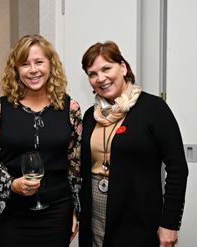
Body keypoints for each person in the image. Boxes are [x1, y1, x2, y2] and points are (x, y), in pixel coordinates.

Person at [0, 34, 82, 247]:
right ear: (16, 70)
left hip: (57, 211)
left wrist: (76, 210)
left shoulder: (70, 108)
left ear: (51, 65)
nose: (33, 70)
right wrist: (11, 184)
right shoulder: (0, 109)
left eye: (39, 62)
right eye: (25, 64)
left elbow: (75, 165)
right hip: (11, 212)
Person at [78, 41, 189, 247]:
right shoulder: (90, 116)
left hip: (138, 216)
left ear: (123, 67)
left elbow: (177, 168)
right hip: (95, 214)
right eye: (92, 74)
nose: (100, 78)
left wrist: (170, 224)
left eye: (106, 68)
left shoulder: (153, 109)